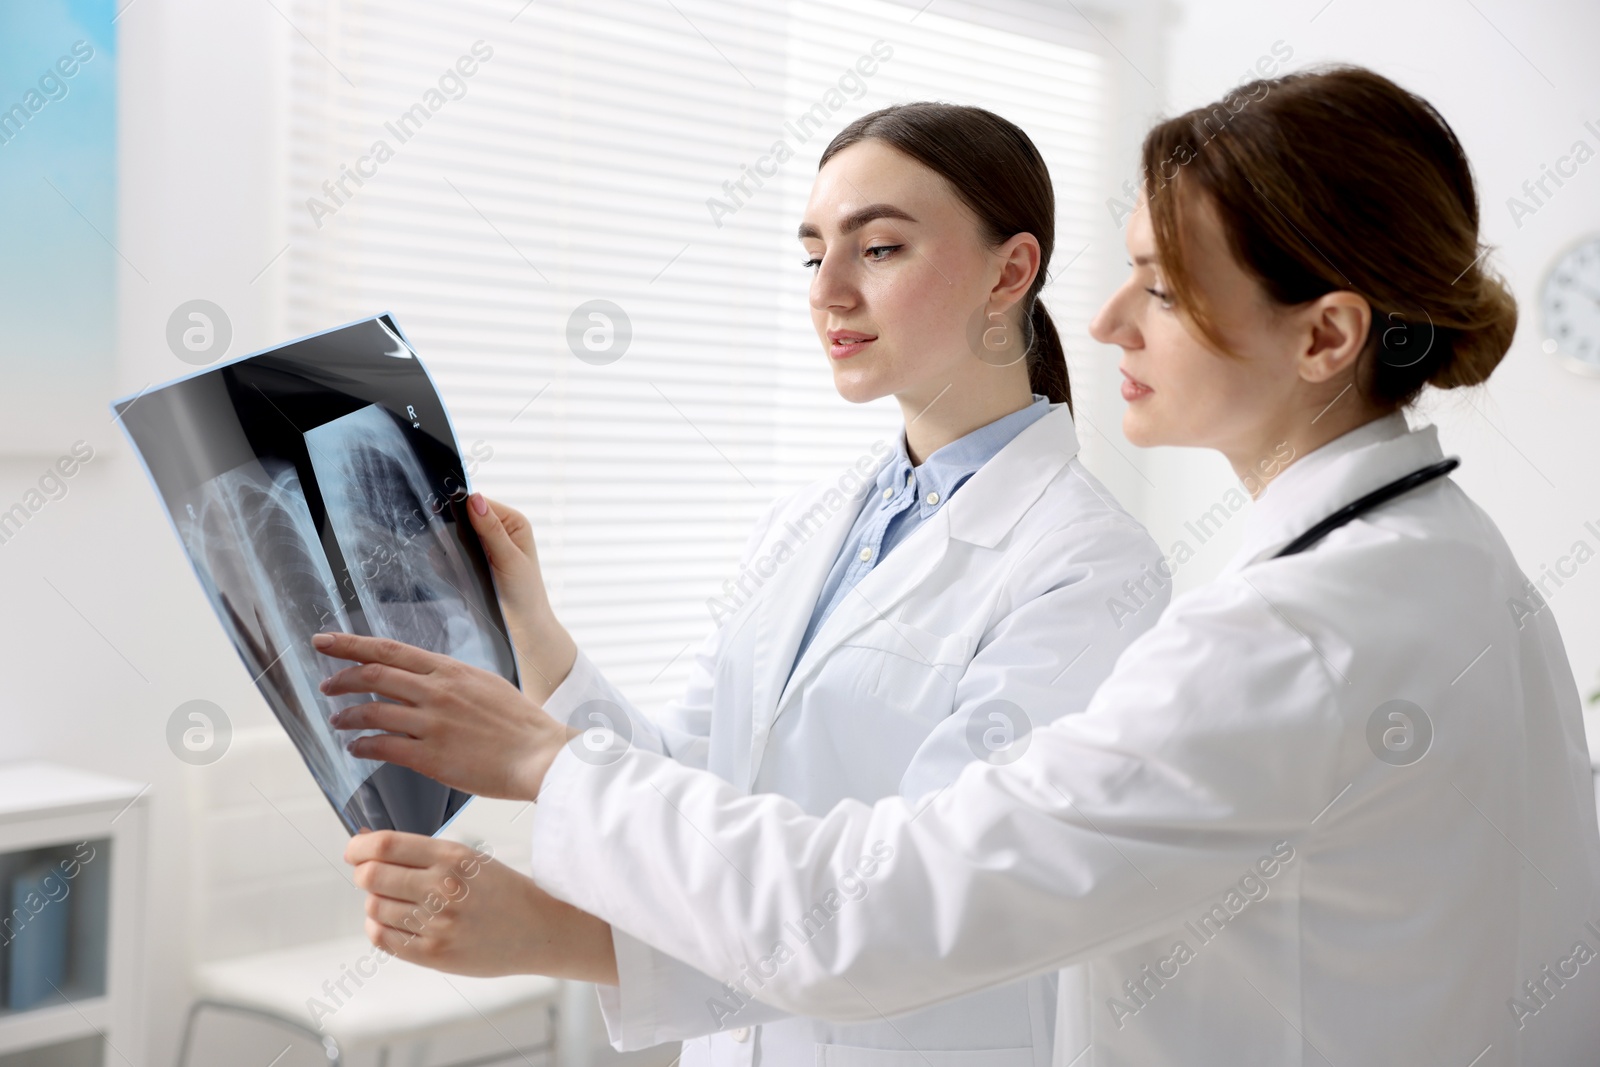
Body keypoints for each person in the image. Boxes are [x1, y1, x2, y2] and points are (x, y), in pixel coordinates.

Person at [317, 66, 1600, 1063]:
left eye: (1158, 284)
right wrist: (537, 645)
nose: (1104, 320)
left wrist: (542, 777)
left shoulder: (1263, 619)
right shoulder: (1428, 562)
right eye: (810, 248)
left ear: (1325, 335)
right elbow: (714, 793)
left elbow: (884, 913)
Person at [322, 102, 1166, 1065]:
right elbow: (691, 784)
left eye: (879, 249)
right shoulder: (809, 521)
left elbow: (919, 909)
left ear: (1011, 271)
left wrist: (554, 927)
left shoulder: (1089, 568)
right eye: (814, 257)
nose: (830, 291)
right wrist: (533, 624)